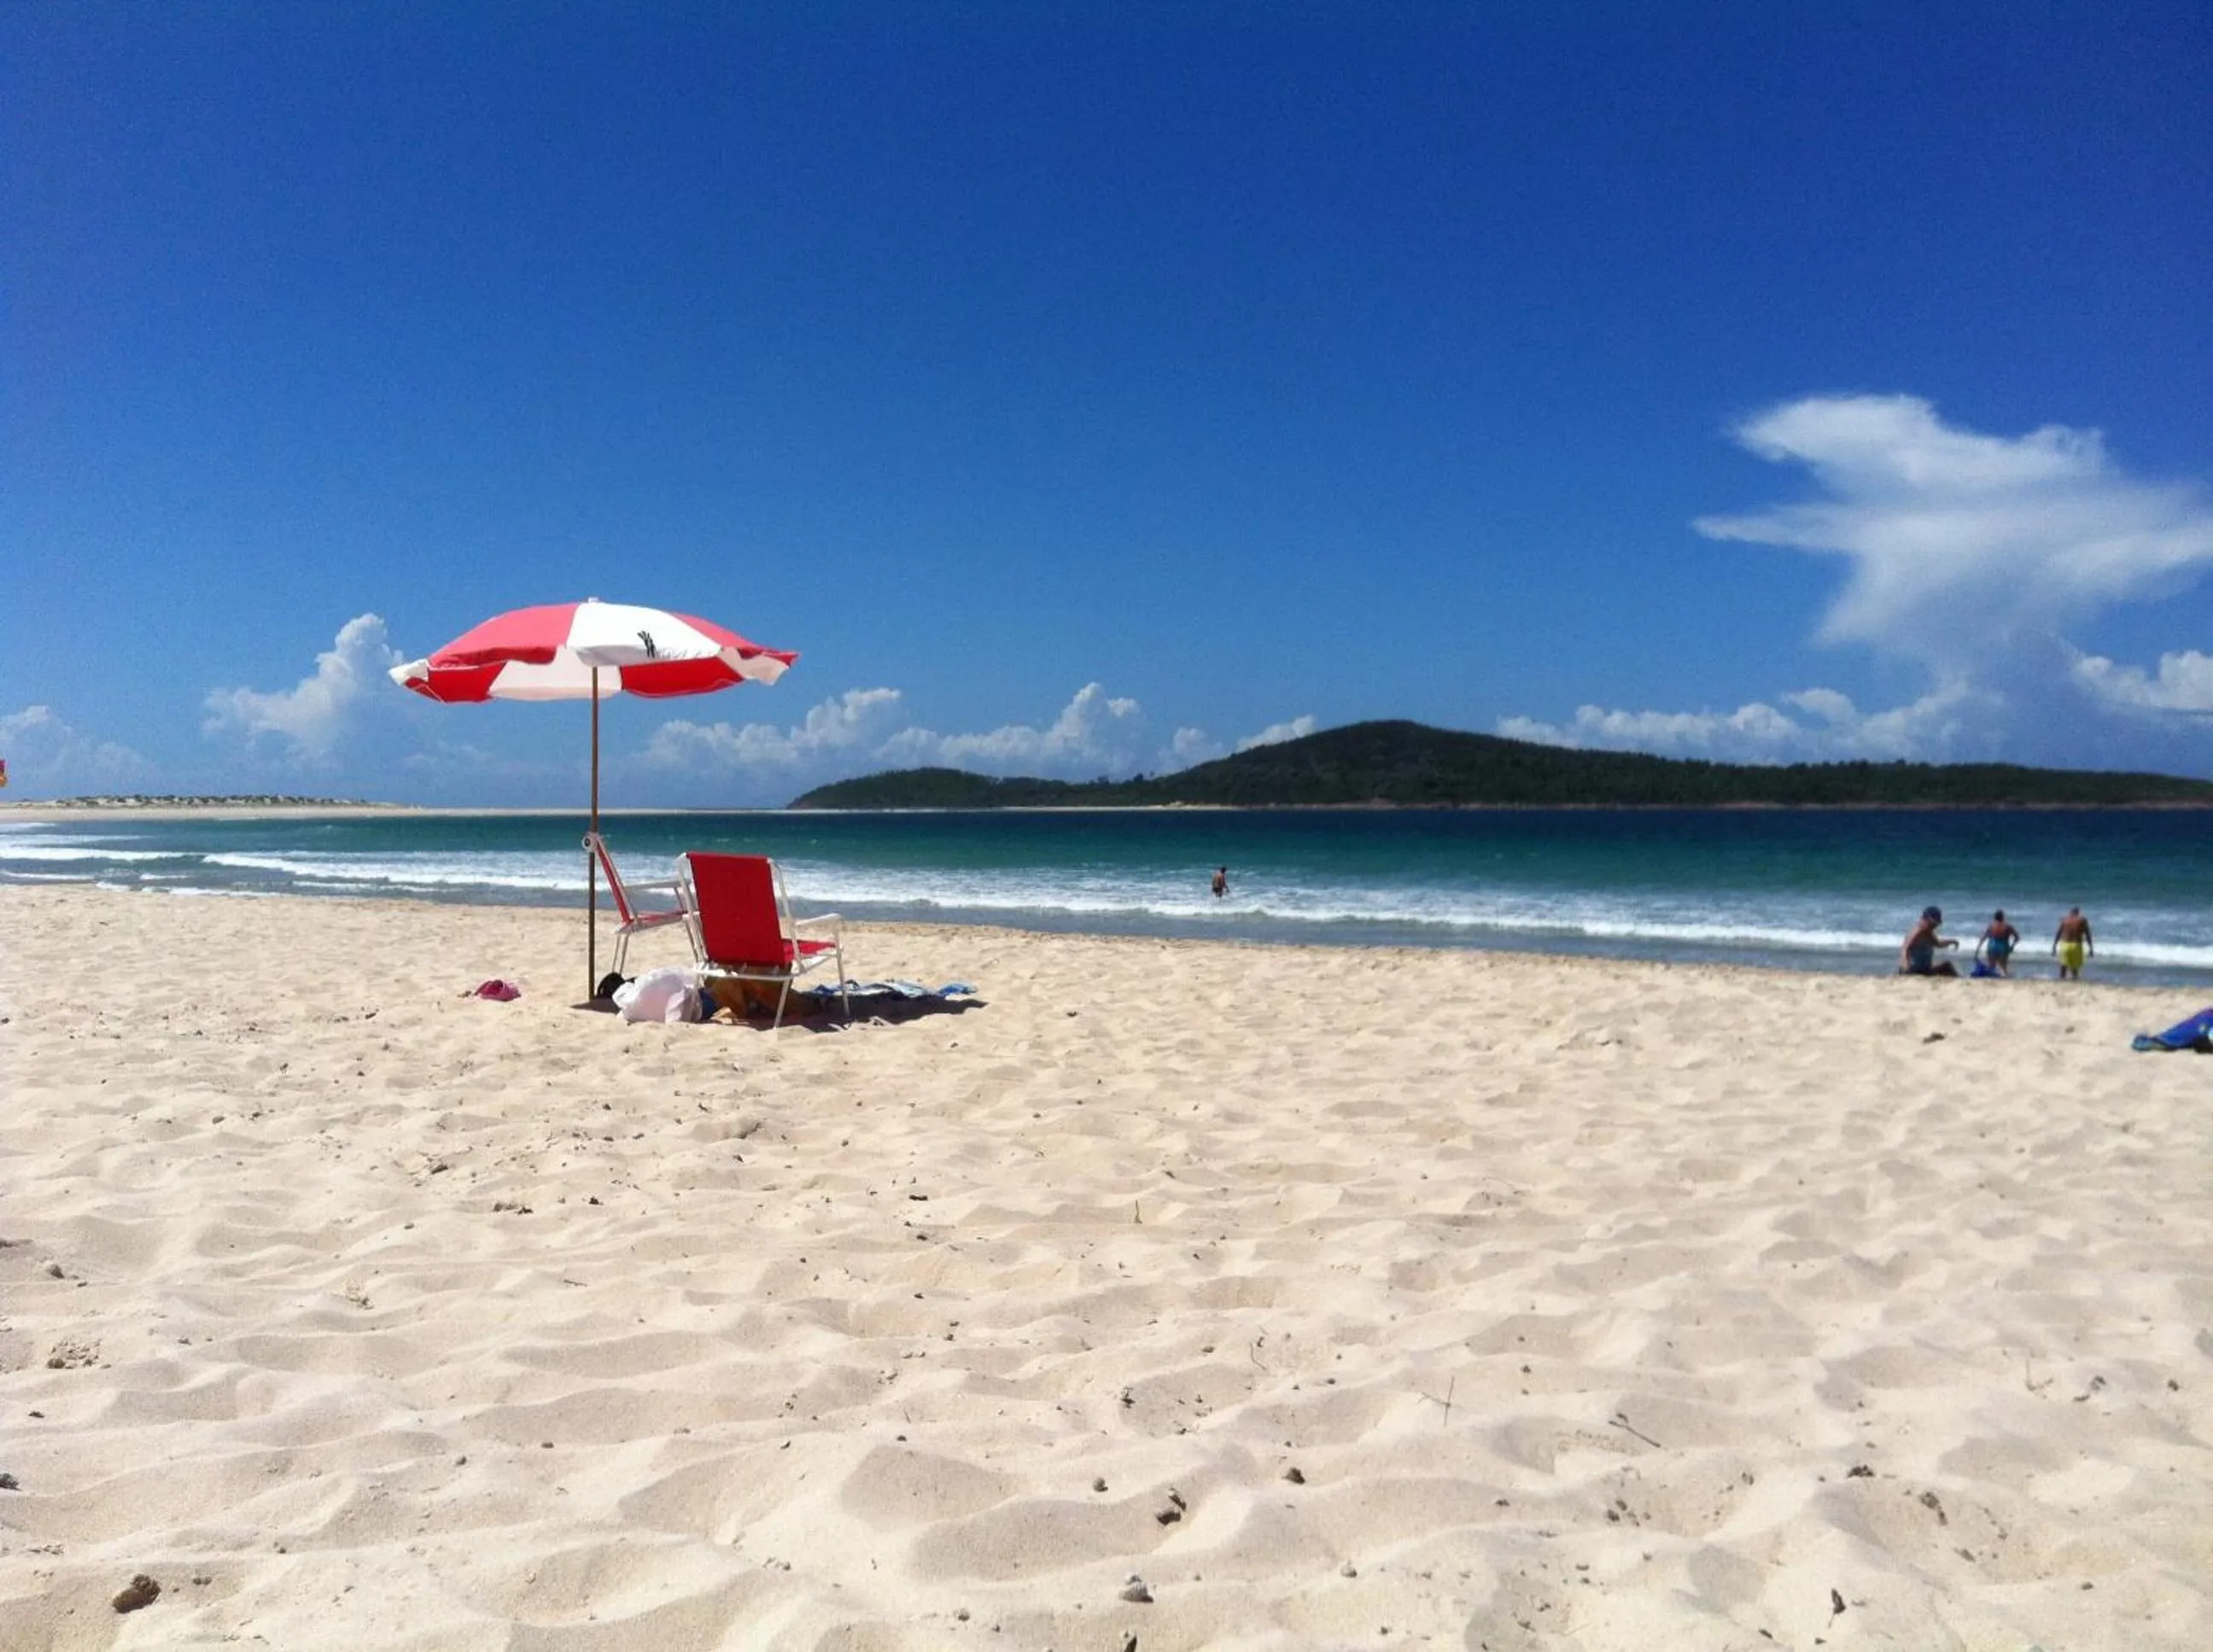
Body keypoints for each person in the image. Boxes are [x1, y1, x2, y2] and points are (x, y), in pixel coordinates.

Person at [1898, 906, 1959, 977]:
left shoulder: (1929, 933)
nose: (1934, 927)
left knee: (1947, 966)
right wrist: (1905, 968)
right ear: (1925, 920)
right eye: (1932, 924)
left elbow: (1938, 944)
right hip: (1912, 969)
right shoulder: (1916, 932)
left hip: (1925, 970)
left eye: (1935, 925)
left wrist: (1952, 941)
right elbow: (1905, 950)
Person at [1975, 909, 2021, 978]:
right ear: (2003, 917)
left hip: (1992, 946)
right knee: (2003, 967)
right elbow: (2017, 938)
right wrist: (2012, 947)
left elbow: (1983, 938)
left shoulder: (1991, 926)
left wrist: (1977, 950)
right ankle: (2004, 978)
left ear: (1994, 917)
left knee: (1991, 967)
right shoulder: (2007, 927)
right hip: (2003, 946)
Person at [2052, 906, 2094, 981]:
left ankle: (2062, 980)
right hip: (2076, 945)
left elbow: (2058, 933)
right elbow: (2088, 935)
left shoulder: (2064, 920)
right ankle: (2074, 980)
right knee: (2074, 967)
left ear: (2070, 913)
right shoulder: (2082, 920)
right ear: (2078, 913)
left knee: (2063, 966)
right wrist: (2091, 948)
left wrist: (2054, 947)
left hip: (2065, 945)